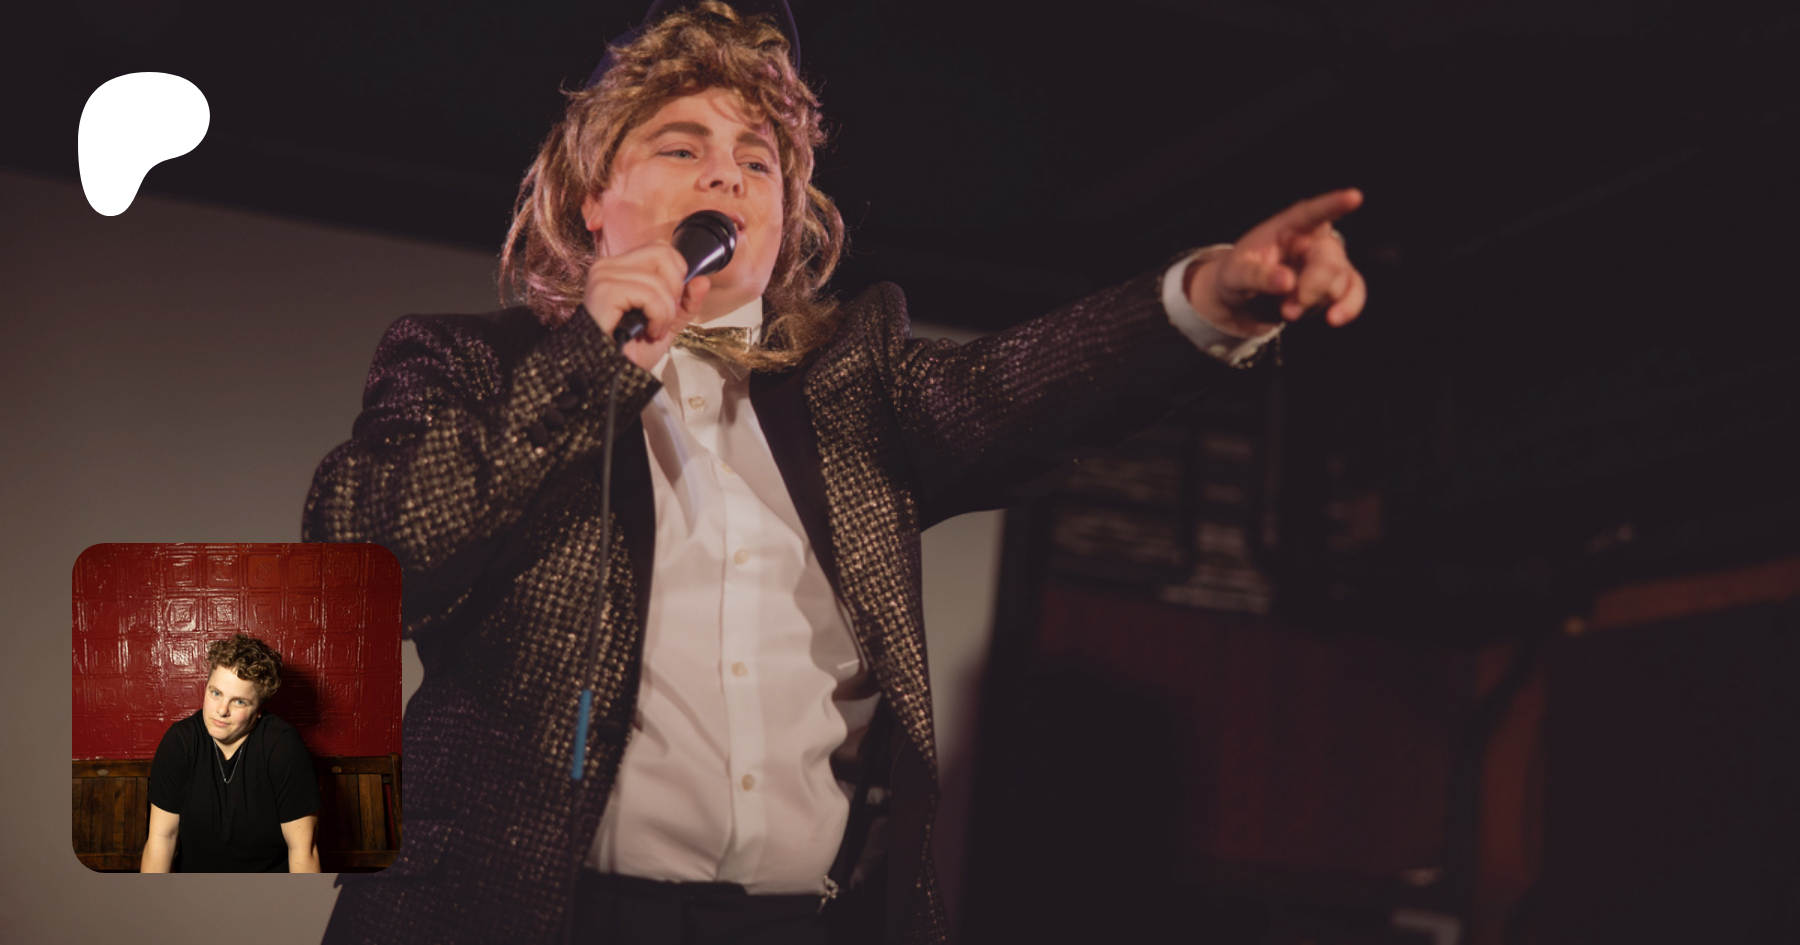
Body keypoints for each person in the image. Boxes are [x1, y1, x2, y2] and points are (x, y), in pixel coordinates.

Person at [303, 1, 1365, 942]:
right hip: (526, 916)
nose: (726, 173)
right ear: (593, 197)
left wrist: (1213, 299)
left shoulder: (856, 389)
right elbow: (368, 553)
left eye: (757, 161)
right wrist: (592, 360)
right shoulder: (470, 364)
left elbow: (1029, 384)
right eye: (682, 146)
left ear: (783, 221)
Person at [142, 633, 322, 873]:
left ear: (259, 710)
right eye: (215, 693)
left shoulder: (283, 748)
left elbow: (302, 850)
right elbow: (161, 839)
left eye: (239, 702)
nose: (221, 710)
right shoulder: (181, 741)